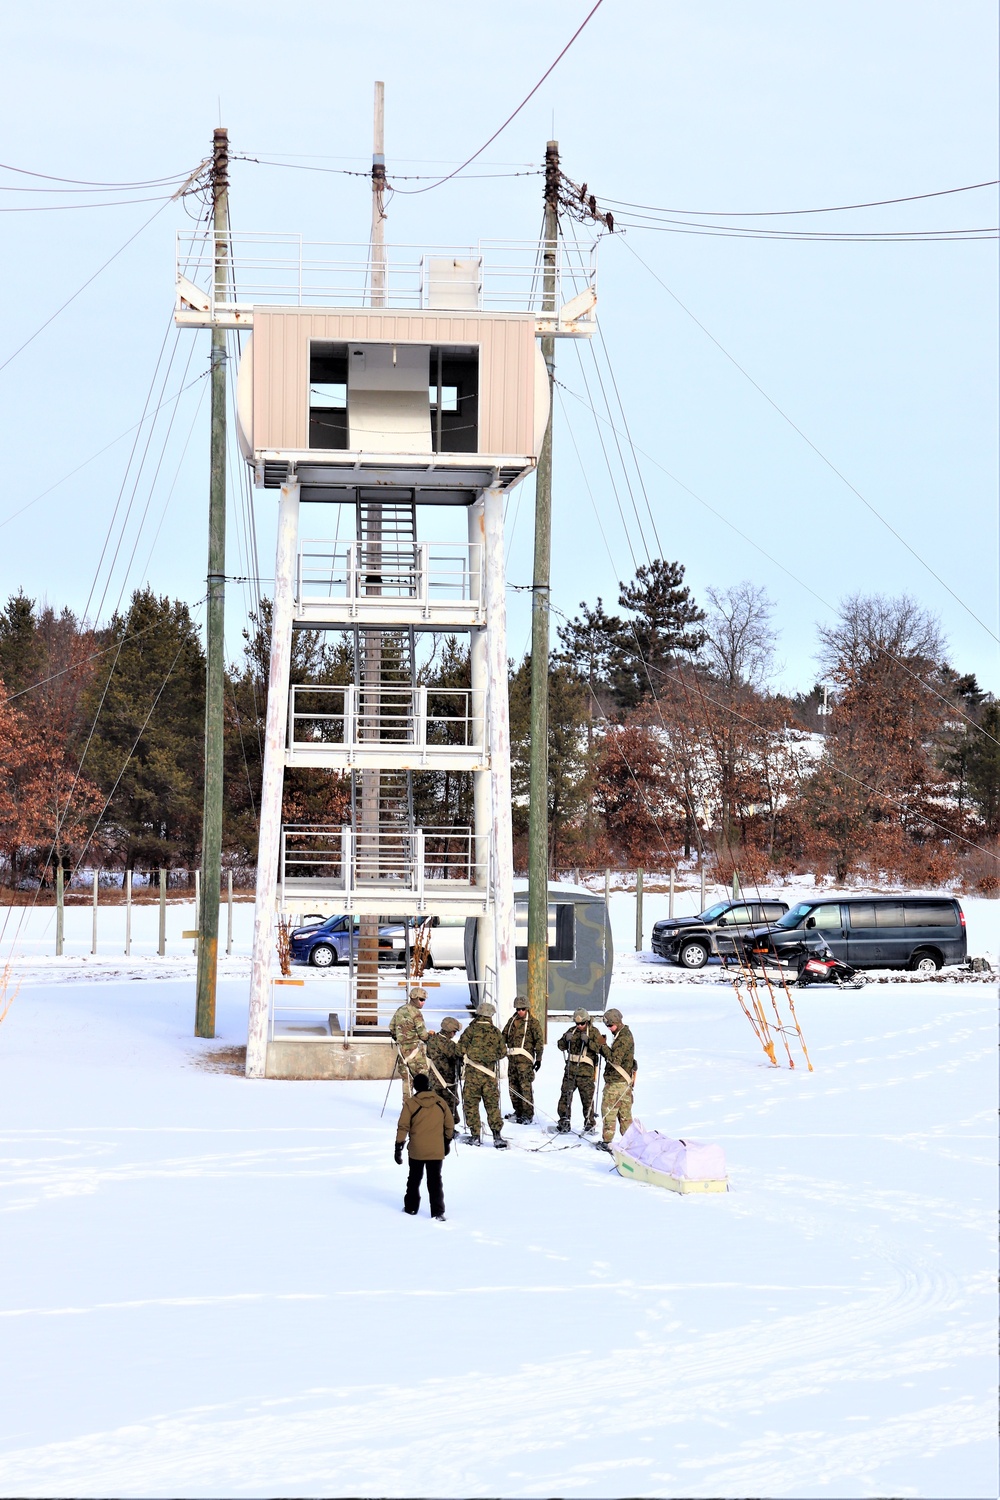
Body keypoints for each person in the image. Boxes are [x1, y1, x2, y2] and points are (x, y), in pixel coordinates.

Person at [394, 1073, 454, 1221]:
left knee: (414, 1179)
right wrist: (446, 1143)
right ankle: (438, 1212)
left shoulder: (410, 1104)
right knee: (435, 1181)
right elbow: (449, 1126)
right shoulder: (440, 1102)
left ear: (415, 1087)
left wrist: (398, 1147)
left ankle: (411, 1208)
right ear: (429, 1085)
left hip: (417, 1150)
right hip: (436, 1150)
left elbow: (403, 1127)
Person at [456, 1001, 508, 1148]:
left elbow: (459, 1050)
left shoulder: (470, 1030)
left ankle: (475, 1136)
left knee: (471, 1105)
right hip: (489, 1075)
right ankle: (497, 1136)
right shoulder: (496, 1032)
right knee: (492, 1105)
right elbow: (503, 1052)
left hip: (472, 1076)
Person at [556, 1008, 604, 1133]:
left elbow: (602, 1048)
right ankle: (564, 1120)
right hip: (570, 1072)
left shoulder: (595, 1032)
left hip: (586, 1074)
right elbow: (560, 1046)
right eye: (577, 1024)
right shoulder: (571, 1031)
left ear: (587, 1021)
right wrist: (565, 1040)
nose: (580, 1026)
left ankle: (589, 1123)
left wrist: (589, 1042)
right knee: (565, 1097)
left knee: (587, 1099)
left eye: (582, 1023)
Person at [596, 1007, 636, 1152]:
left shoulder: (623, 1037)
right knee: (625, 1114)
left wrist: (603, 1046)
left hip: (616, 1083)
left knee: (609, 1111)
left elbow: (614, 1059)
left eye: (610, 1025)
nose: (609, 1028)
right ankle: (630, 1142)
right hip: (625, 1083)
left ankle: (607, 1142)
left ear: (617, 1022)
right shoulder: (624, 1034)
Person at [501, 997, 544, 1123]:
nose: (520, 1012)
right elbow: (503, 1036)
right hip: (512, 1060)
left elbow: (539, 1042)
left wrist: (539, 1058)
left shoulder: (533, 1023)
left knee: (525, 1087)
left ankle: (527, 1114)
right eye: (518, 1009)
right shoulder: (512, 1021)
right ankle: (518, 1111)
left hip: (525, 1061)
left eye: (522, 1009)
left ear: (527, 1009)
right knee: (513, 1087)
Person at [388, 986, 433, 1099]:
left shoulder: (400, 1010)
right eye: (421, 1000)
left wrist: (400, 1039)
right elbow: (423, 1035)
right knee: (423, 1080)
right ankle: (425, 1105)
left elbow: (392, 1028)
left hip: (402, 1052)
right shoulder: (416, 1014)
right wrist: (431, 1036)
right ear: (413, 998)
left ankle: (407, 1107)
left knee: (407, 1080)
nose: (423, 1003)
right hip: (415, 1053)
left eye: (424, 1000)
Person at [426, 1016, 463, 1125]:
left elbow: (428, 1054)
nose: (455, 1034)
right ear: (450, 1032)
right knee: (449, 1106)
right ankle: (449, 1127)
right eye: (454, 1032)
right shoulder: (450, 1045)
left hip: (434, 1079)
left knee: (435, 1104)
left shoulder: (431, 1040)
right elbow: (457, 1057)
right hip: (447, 1081)